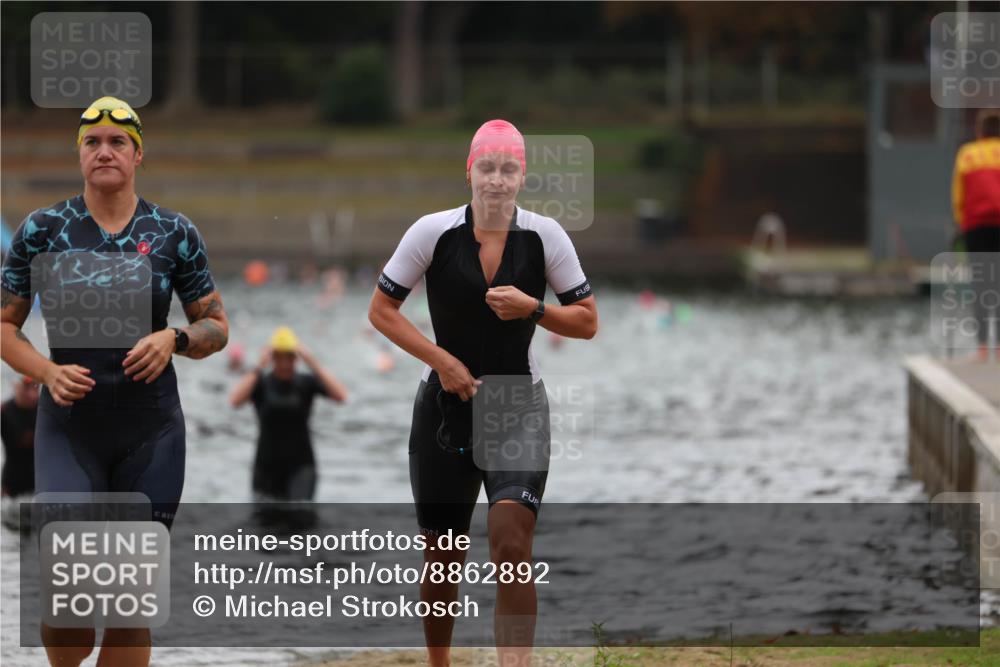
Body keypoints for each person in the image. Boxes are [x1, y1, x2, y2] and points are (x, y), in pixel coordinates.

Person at [0, 96, 229, 667]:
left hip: (150, 431)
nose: (105, 151)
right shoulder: (43, 230)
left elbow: (217, 327)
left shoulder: (173, 232)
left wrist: (172, 338)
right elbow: (4, 327)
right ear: (79, 155)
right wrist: (47, 370)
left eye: (117, 142)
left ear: (137, 154)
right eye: (92, 142)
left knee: (129, 600)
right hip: (68, 427)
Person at [368, 119, 598, 667]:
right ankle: (439, 663)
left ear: (522, 176)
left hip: (517, 409)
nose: (497, 180)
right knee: (443, 555)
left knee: (512, 544)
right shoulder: (432, 232)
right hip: (446, 409)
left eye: (508, 169)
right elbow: (381, 311)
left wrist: (534, 309)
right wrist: (442, 361)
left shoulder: (545, 237)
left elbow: (587, 322)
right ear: (469, 171)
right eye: (487, 168)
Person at [229, 326, 348, 501]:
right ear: (272, 358)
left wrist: (312, 362)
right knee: (263, 522)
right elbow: (235, 401)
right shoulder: (261, 383)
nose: (284, 362)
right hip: (266, 466)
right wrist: (258, 367)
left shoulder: (306, 383)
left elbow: (341, 395)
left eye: (289, 357)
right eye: (279, 357)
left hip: (301, 467)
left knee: (300, 517)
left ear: (296, 358)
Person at [952, 109, 1000, 359]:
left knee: (981, 284)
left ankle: (982, 347)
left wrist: (963, 223)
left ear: (979, 131)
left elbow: (958, 195)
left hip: (977, 226)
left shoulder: (967, 155)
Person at [1, 375, 39, 529]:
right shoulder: (4, 411)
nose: (29, 393)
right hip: (13, 482)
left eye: (33, 387)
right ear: (15, 387)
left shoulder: (46, 410)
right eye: (25, 387)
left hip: (39, 480)